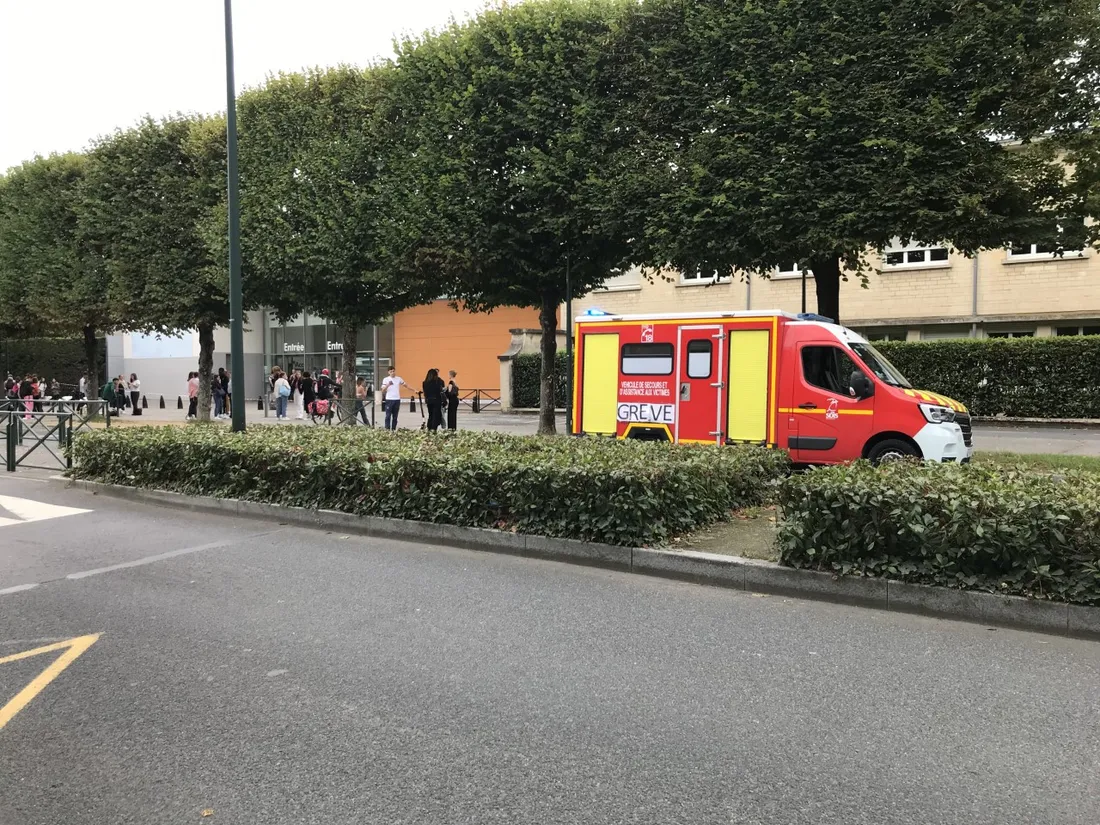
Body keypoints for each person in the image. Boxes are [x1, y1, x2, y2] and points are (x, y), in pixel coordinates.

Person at [381, 366, 405, 431]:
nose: (392, 373)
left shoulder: (399, 379)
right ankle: (387, 429)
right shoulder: (386, 379)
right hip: (389, 399)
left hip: (397, 399)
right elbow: (383, 390)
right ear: (388, 372)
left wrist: (414, 390)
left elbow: (405, 385)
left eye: (393, 371)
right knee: (388, 415)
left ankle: (393, 429)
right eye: (391, 372)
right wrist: (388, 385)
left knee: (395, 416)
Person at [422, 368, 445, 432]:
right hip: (436, 400)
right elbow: (439, 391)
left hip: (429, 401)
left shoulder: (425, 383)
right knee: (436, 415)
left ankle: (429, 428)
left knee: (431, 415)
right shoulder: (437, 382)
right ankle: (433, 429)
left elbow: (425, 392)